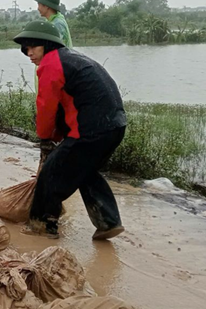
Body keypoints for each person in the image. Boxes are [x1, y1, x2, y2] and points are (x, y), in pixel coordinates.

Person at [13, 21, 126, 240]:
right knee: (82, 170)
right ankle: (108, 222)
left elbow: (46, 107)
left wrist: (45, 137)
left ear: (46, 45)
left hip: (91, 129)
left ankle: (42, 224)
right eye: (26, 49)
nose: (29, 53)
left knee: (51, 173)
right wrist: (58, 135)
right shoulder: (71, 58)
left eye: (33, 47)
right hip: (115, 126)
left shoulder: (50, 65)